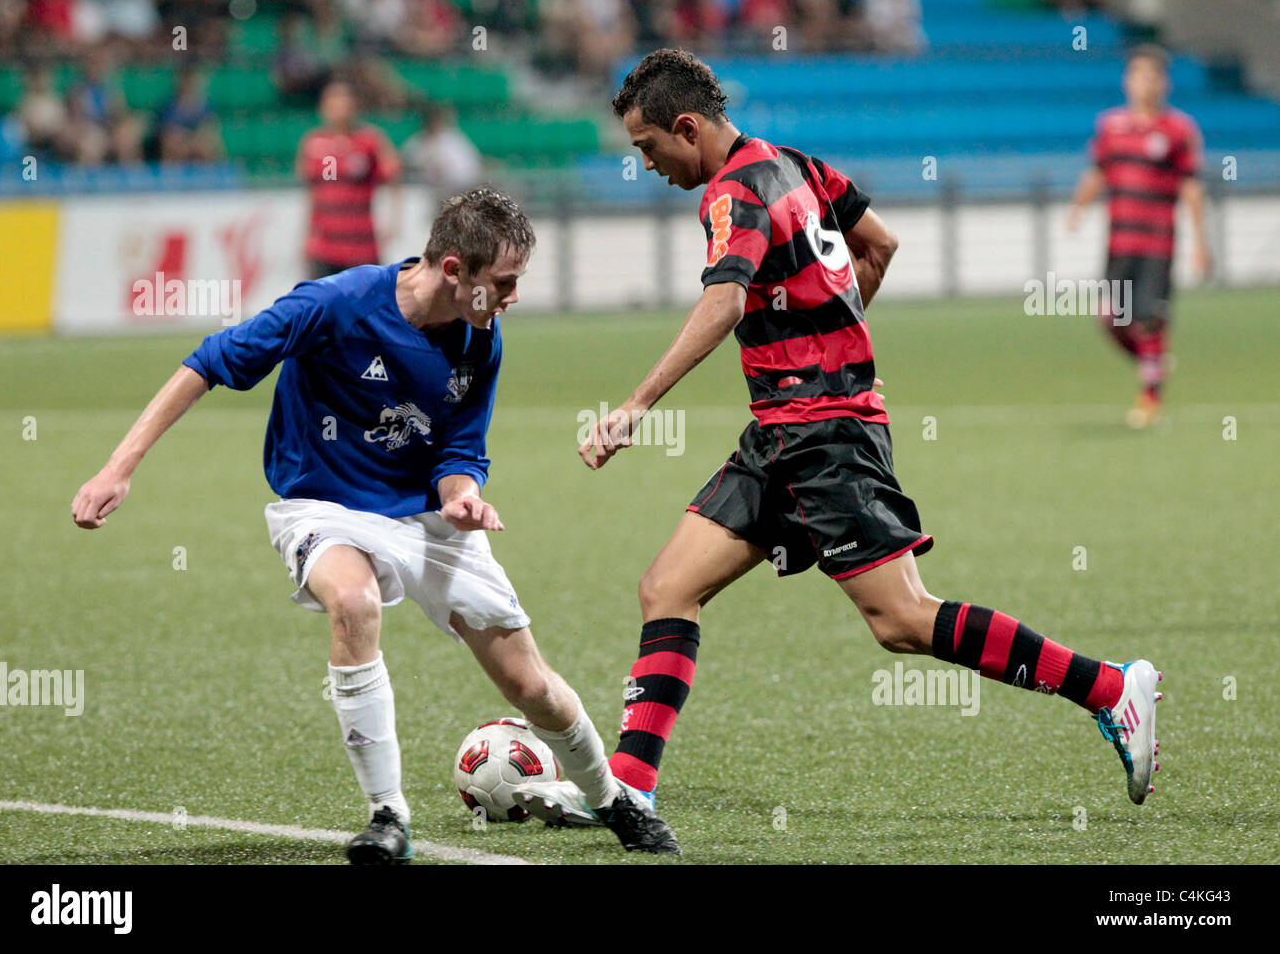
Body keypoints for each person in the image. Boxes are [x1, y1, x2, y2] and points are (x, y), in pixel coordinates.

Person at [512, 50, 1163, 838]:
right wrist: (840, 345)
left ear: (687, 128)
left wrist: (637, 404)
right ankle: (631, 791)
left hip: (823, 435)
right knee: (667, 589)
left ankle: (1108, 687)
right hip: (788, 430)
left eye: (649, 148)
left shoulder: (732, 192)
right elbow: (879, 245)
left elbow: (723, 301)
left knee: (902, 620)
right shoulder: (794, 164)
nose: (647, 165)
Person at [71, 187, 680, 861]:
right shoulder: (333, 305)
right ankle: (388, 816)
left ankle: (612, 799)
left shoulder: (481, 338)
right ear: (455, 271)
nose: (512, 297)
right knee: (354, 602)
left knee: (529, 685)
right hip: (324, 504)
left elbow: (460, 447)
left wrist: (462, 496)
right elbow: (209, 363)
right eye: (503, 283)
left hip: (423, 518)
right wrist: (116, 469)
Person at [1067, 45, 1210, 429]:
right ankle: (1153, 364)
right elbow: (1096, 171)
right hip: (1119, 243)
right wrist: (1077, 209)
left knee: (1149, 320)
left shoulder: (1179, 130)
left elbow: (1192, 188)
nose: (1145, 83)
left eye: (1152, 76)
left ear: (1164, 82)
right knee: (1109, 318)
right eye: (1138, 75)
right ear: (1126, 80)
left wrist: (1201, 242)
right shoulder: (1111, 126)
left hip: (1158, 244)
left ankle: (1149, 396)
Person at [297, 80, 401, 281]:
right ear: (323, 107)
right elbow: (313, 194)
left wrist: (394, 221)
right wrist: (306, 236)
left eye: (344, 100)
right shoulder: (313, 143)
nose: (339, 106)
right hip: (324, 247)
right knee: (323, 308)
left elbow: (393, 177)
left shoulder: (370, 140)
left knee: (367, 308)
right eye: (333, 100)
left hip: (361, 246)